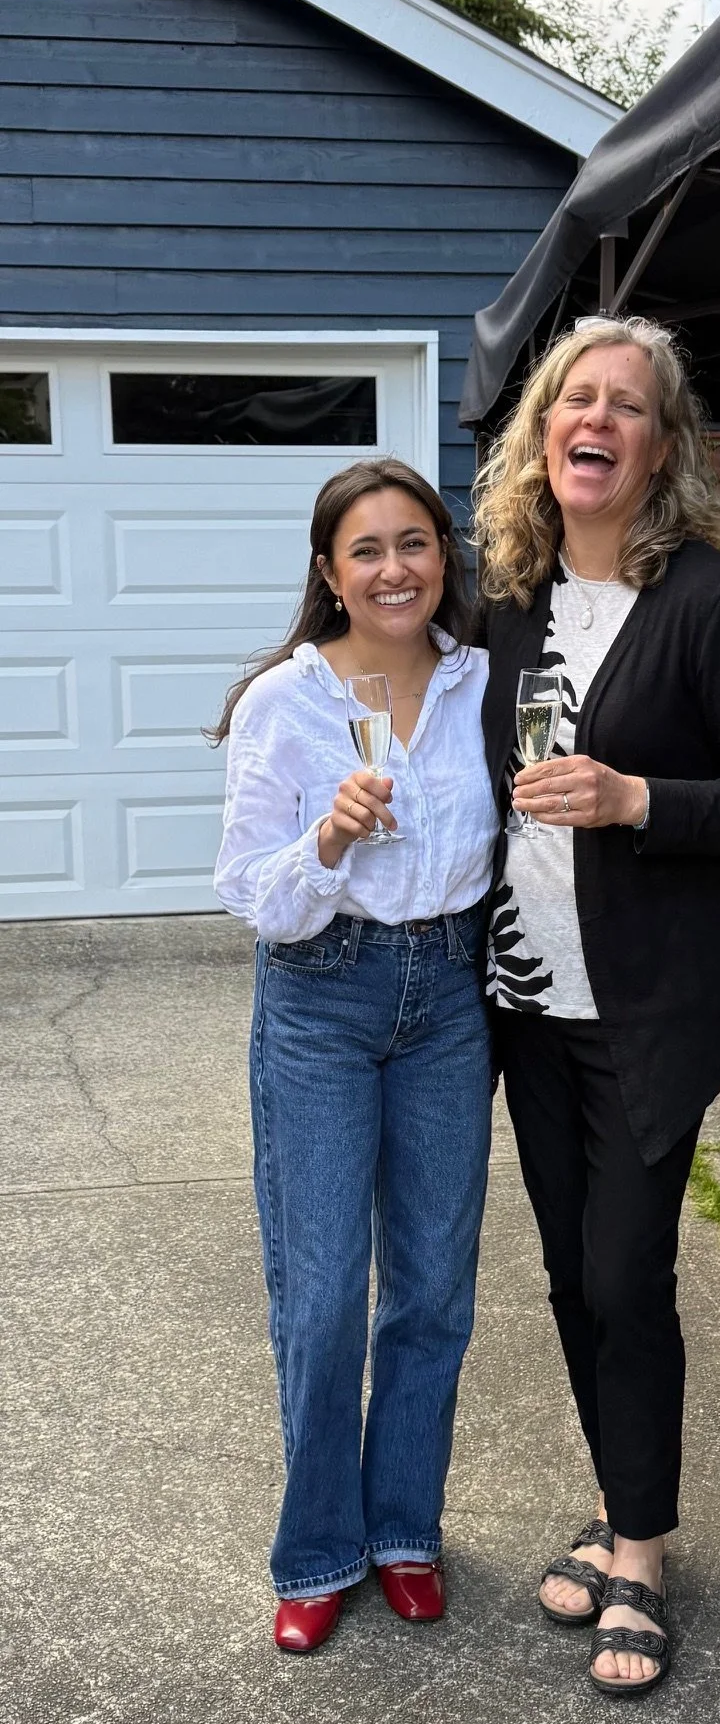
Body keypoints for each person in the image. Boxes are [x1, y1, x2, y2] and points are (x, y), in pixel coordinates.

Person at [470, 315, 720, 1697]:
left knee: (626, 1273)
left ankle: (646, 1554)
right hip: (526, 1001)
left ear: (659, 447)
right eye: (573, 397)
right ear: (543, 433)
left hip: (653, 1009)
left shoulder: (708, 603)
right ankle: (620, 1507)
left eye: (624, 402)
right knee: (569, 1275)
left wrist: (634, 801)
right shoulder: (509, 597)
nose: (593, 418)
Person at [213, 459, 497, 1654]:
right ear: (330, 571)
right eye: (367, 548)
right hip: (324, 998)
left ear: (445, 555)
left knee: (431, 1288)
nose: (394, 567)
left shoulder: (488, 679)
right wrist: (328, 836)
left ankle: (403, 1532)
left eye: (415, 542)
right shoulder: (289, 698)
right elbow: (246, 893)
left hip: (452, 998)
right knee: (324, 1297)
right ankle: (320, 1548)